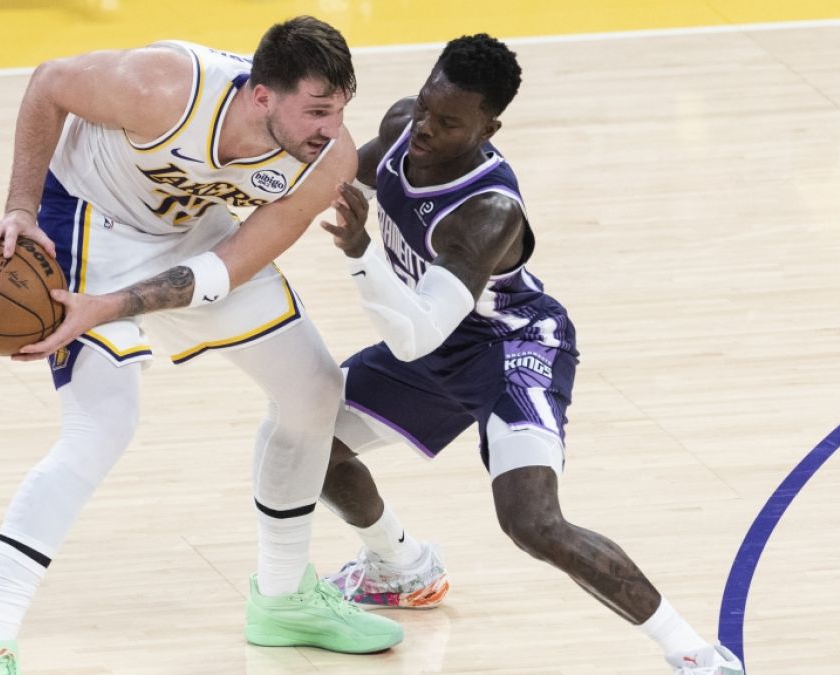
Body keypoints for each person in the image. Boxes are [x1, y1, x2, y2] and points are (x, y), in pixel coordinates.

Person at [0, 16, 403, 674]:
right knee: (103, 425)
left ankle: (281, 597)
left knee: (314, 389)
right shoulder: (163, 88)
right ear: (262, 96)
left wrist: (119, 305)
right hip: (86, 220)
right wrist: (18, 206)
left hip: (189, 236)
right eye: (318, 110)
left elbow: (229, 266)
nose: (332, 130)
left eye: (341, 109)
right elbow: (48, 84)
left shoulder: (325, 161)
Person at [316, 34, 744, 675]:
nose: (428, 128)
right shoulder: (406, 125)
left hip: (509, 350)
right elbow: (343, 175)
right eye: (429, 107)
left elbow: (418, 335)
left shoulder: (488, 211)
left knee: (532, 522)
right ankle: (400, 566)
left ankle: (697, 654)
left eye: (450, 122)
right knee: (306, 439)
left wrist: (359, 253)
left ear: (490, 126)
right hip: (433, 336)